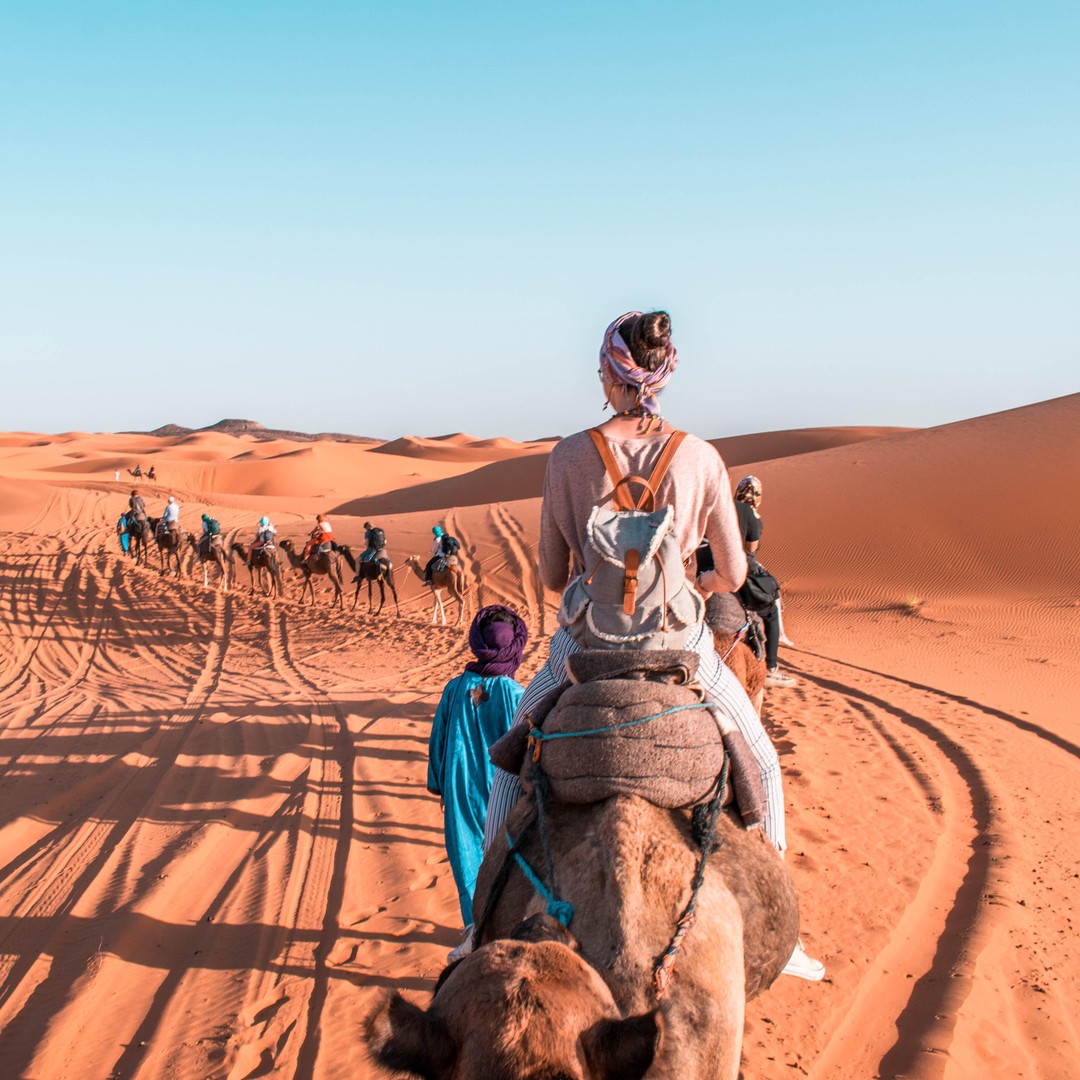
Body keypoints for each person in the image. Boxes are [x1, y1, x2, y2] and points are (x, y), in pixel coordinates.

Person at [482, 309, 823, 981]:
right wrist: (681, 575)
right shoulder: (701, 458)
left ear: (610, 373)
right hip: (683, 653)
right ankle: (783, 945)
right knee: (761, 760)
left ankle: (478, 924)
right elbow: (731, 572)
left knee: (505, 763)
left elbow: (553, 575)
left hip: (582, 654)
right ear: (664, 376)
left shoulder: (569, 456)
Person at [428, 605, 528, 962]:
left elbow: (439, 738)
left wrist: (439, 783)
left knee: (466, 854)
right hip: (506, 788)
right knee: (504, 855)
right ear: (514, 646)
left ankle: (475, 927)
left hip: (460, 785)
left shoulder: (455, 689)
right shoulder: (516, 694)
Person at [735, 476, 796, 688]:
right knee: (771, 605)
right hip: (737, 567)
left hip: (700, 565)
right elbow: (751, 550)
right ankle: (771, 667)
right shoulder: (752, 515)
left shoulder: (722, 505)